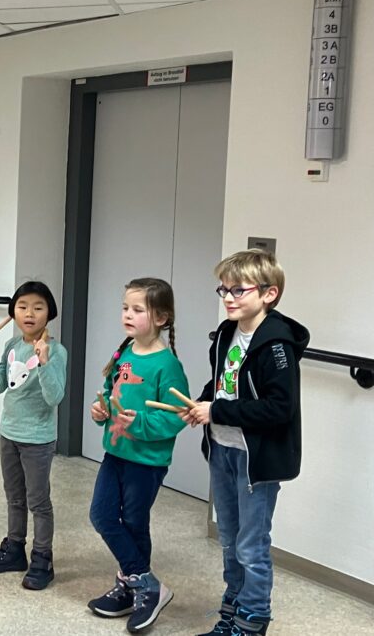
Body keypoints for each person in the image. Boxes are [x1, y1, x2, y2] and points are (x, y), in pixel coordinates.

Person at [179, 250, 307, 636]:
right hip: (222, 449)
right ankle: (232, 610)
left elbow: (278, 408)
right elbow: (220, 383)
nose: (229, 298)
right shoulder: (225, 334)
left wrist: (216, 411)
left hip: (258, 460)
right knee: (230, 541)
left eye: (239, 290)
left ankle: (252, 621)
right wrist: (201, 405)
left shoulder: (277, 345)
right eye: (224, 289)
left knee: (252, 545)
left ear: (270, 294)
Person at [86, 277, 189, 633]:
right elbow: (109, 392)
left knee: (133, 522)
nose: (127, 314)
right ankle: (142, 582)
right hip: (115, 452)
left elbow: (176, 416)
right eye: (125, 308)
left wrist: (140, 422)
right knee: (101, 515)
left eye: (137, 309)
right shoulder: (125, 351)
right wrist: (100, 410)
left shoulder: (167, 365)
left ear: (161, 318)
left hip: (146, 461)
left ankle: (138, 586)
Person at [0, 281, 67, 590]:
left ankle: (43, 557)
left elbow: (54, 397)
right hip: (9, 432)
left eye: (38, 307)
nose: (30, 313)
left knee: (38, 500)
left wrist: (43, 362)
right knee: (14, 496)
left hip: (38, 438)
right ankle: (15, 549)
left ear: (48, 313)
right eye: (23, 306)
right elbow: (0, 385)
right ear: (13, 311)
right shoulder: (12, 346)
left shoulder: (56, 351)